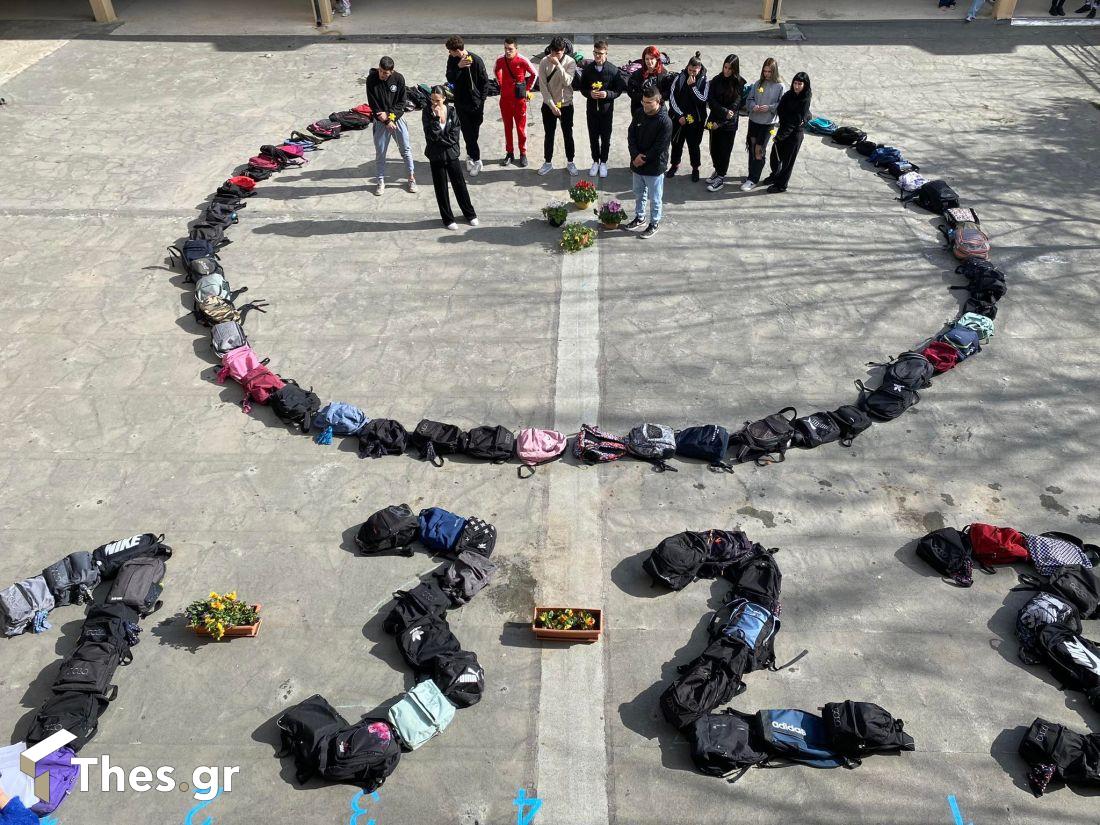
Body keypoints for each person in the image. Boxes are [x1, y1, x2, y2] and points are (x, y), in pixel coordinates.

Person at [422, 86, 478, 230]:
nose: (434, 103)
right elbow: (431, 135)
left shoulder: (452, 111)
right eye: (432, 100)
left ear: (444, 99)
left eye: (438, 100)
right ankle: (447, 219)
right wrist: (436, 118)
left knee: (460, 185)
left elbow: (454, 135)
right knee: (441, 188)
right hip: (436, 155)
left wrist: (442, 140)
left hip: (451, 154)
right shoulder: (427, 112)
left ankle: (470, 214)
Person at [626, 86, 672, 239]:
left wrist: (642, 159)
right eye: (643, 102)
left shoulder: (665, 122)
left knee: (655, 198)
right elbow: (631, 135)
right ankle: (640, 217)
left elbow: (660, 147)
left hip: (654, 167)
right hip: (637, 164)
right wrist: (634, 155)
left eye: (649, 102)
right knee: (638, 193)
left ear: (658, 101)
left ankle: (654, 223)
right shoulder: (639, 113)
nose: (645, 105)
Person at [366, 56, 417, 196]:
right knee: (381, 153)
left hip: (396, 120)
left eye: (385, 73)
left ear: (392, 72)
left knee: (406, 149)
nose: (382, 75)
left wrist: (390, 118)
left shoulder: (399, 79)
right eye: (381, 71)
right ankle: (380, 180)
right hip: (381, 121)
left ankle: (411, 177)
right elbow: (372, 103)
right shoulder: (371, 79)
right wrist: (383, 119)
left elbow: (401, 103)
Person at [576, 39, 625, 178]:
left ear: (606, 53)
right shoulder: (588, 69)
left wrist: (607, 94)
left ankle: (603, 162)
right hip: (592, 110)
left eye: (601, 53)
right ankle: (595, 161)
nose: (598, 56)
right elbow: (582, 87)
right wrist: (589, 93)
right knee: (593, 136)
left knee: (605, 137)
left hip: (606, 110)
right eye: (595, 53)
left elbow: (618, 89)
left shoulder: (613, 70)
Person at [445, 36, 489, 176]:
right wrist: (458, 67)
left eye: (451, 51)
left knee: (474, 131)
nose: (449, 54)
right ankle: (476, 159)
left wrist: (481, 100)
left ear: (457, 50)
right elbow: (450, 78)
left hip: (476, 104)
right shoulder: (453, 60)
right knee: (467, 132)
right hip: (461, 103)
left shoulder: (476, 60)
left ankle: (470, 154)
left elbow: (485, 82)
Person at [762, 71, 811, 194]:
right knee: (775, 155)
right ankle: (775, 175)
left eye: (800, 84)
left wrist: (781, 136)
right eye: (795, 83)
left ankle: (781, 185)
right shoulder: (789, 95)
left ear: (805, 85)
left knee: (787, 162)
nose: (797, 86)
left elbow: (796, 121)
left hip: (794, 135)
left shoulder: (805, 99)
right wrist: (786, 121)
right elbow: (780, 109)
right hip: (783, 129)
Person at [740, 57, 784, 192]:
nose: (767, 74)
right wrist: (753, 106)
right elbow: (749, 99)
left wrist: (770, 108)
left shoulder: (780, 86)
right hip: (754, 120)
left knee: (759, 150)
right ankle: (751, 174)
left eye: (770, 72)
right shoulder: (758, 83)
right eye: (765, 71)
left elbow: (781, 105)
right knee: (752, 147)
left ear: (775, 72)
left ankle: (753, 179)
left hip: (768, 124)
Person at [536, 36, 578, 176]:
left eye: (558, 53)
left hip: (566, 104)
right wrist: (551, 105)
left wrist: (558, 65)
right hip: (549, 105)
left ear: (564, 50)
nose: (555, 55)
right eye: (553, 52)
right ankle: (548, 162)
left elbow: (567, 81)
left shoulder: (570, 62)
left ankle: (570, 162)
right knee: (549, 134)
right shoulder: (543, 62)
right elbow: (542, 86)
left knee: (568, 134)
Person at [666, 51, 710, 181]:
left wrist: (692, 86)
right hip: (680, 118)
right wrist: (679, 115)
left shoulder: (705, 81)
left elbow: (702, 100)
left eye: (694, 71)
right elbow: (672, 97)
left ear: (699, 68)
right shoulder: (679, 78)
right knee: (676, 143)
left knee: (694, 145)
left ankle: (695, 168)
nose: (691, 73)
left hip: (695, 120)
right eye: (689, 70)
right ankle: (674, 164)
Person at [705, 53, 745, 192]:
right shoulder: (716, 80)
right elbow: (711, 100)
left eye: (730, 68)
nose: (726, 71)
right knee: (713, 149)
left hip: (729, 124)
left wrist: (722, 121)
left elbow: (735, 106)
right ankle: (717, 170)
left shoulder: (739, 83)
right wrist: (722, 113)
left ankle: (721, 177)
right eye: (725, 67)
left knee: (724, 151)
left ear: (735, 69)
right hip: (714, 120)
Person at [494, 38, 537, 167]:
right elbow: (496, 70)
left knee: (520, 129)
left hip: (519, 101)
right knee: (507, 128)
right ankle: (509, 153)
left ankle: (523, 153)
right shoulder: (500, 60)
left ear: (516, 49)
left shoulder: (522, 60)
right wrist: (501, 84)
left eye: (510, 49)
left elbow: (534, 74)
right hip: (505, 101)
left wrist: (527, 90)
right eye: (506, 48)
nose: (507, 51)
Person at [626, 45, 673, 120]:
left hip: (658, 109)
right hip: (640, 108)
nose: (649, 62)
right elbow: (631, 91)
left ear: (657, 59)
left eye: (652, 58)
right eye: (647, 59)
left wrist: (656, 98)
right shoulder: (637, 74)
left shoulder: (664, 74)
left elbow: (668, 92)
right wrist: (645, 99)